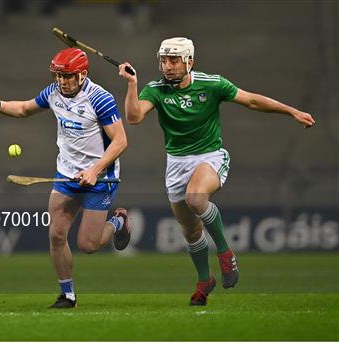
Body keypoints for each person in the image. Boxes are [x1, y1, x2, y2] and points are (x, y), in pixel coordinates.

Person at [118, 37, 315, 306]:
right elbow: (134, 117)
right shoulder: (156, 89)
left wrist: (292, 111)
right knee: (190, 231)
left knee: (196, 198)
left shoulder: (212, 84)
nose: (167, 66)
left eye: (174, 60)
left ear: (190, 61)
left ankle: (225, 252)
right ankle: (203, 280)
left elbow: (253, 101)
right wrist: (132, 85)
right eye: (163, 60)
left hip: (209, 157)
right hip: (176, 163)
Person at [0, 47, 130, 308]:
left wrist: (94, 170)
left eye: (68, 76)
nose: (62, 82)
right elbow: (23, 109)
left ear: (82, 74)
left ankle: (119, 223)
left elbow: (120, 141)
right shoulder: (53, 92)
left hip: (100, 177)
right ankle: (68, 295)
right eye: (59, 76)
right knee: (56, 234)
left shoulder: (100, 98)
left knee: (88, 244)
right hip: (65, 174)